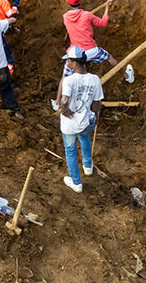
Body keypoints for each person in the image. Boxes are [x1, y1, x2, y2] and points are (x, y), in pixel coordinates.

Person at [57, 46, 103, 193]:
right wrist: (96, 117)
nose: (68, 64)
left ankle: (76, 183)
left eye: (69, 61)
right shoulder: (95, 79)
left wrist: (64, 110)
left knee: (70, 151)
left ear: (75, 63)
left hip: (70, 124)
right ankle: (88, 167)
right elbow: (97, 102)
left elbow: (64, 101)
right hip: (87, 121)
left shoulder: (69, 80)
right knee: (84, 137)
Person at [61, 0, 118, 69]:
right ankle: (126, 75)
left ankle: (84, 64)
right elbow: (103, 23)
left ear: (69, 4)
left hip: (76, 54)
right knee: (109, 58)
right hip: (91, 50)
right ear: (79, 3)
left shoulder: (65, 17)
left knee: (67, 72)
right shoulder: (87, 15)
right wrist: (107, 7)